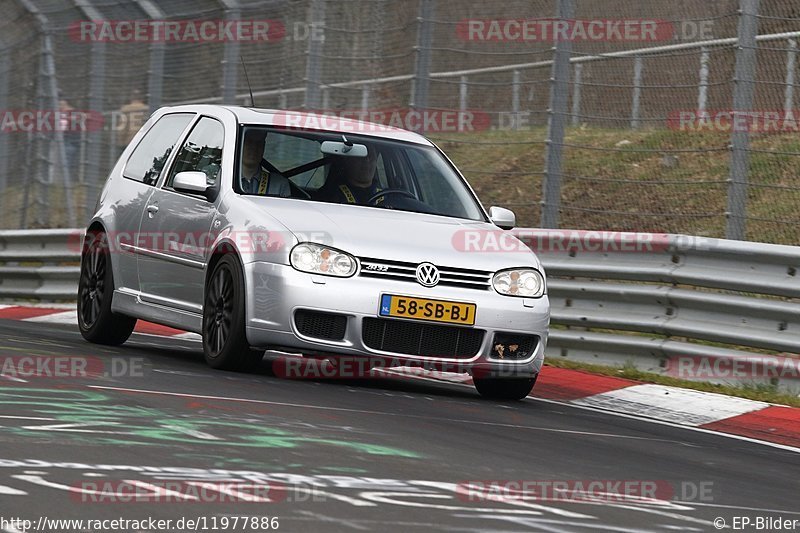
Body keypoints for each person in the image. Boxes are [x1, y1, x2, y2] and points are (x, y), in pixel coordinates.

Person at [316, 147, 384, 205]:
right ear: (347, 160)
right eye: (361, 157)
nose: (367, 161)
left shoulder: (388, 196)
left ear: (376, 160)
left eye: (371, 156)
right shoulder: (329, 196)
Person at [240, 128, 291, 197]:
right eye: (249, 142)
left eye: (259, 143)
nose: (254, 147)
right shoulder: (224, 178)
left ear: (263, 146)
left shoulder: (280, 185)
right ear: (240, 144)